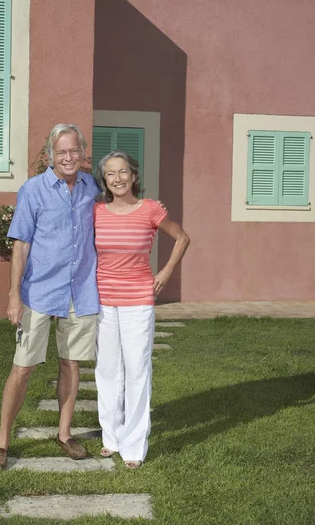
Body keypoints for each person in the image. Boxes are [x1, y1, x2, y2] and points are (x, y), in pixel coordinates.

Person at [0, 124, 100, 469]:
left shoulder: (90, 187)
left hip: (80, 291)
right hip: (39, 292)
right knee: (23, 368)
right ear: (50, 156)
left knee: (71, 363)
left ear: (82, 154)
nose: (68, 157)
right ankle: (2, 441)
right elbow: (21, 245)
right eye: (61, 152)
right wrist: (13, 296)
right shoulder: (33, 190)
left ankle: (64, 434)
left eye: (74, 151)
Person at [93, 150, 190, 469]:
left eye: (123, 172)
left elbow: (182, 238)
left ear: (134, 176)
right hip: (103, 300)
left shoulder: (150, 209)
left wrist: (164, 273)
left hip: (137, 302)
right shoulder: (96, 212)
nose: (117, 178)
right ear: (104, 180)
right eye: (110, 174)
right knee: (107, 369)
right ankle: (111, 437)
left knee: (136, 370)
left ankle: (133, 445)